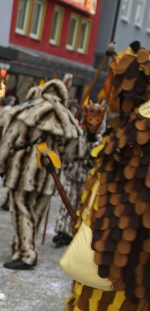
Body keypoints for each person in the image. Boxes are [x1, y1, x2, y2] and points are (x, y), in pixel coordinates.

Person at [36, 43, 150, 311]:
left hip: (112, 255)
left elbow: (128, 201)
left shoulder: (141, 132)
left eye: (115, 84)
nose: (108, 94)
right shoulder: (134, 126)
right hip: (113, 248)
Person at [0, 78, 82, 270]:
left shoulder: (28, 110)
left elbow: (9, 139)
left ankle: (26, 254)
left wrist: (0, 165)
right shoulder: (67, 118)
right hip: (49, 175)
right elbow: (74, 150)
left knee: (21, 210)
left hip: (23, 171)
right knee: (35, 213)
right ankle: (21, 246)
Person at [52, 99, 106, 248]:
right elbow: (73, 150)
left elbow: (95, 154)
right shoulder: (78, 132)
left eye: (97, 120)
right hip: (72, 173)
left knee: (83, 205)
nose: (93, 123)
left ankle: (78, 231)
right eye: (91, 119)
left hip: (87, 176)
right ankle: (63, 231)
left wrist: (94, 142)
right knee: (67, 203)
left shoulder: (101, 137)